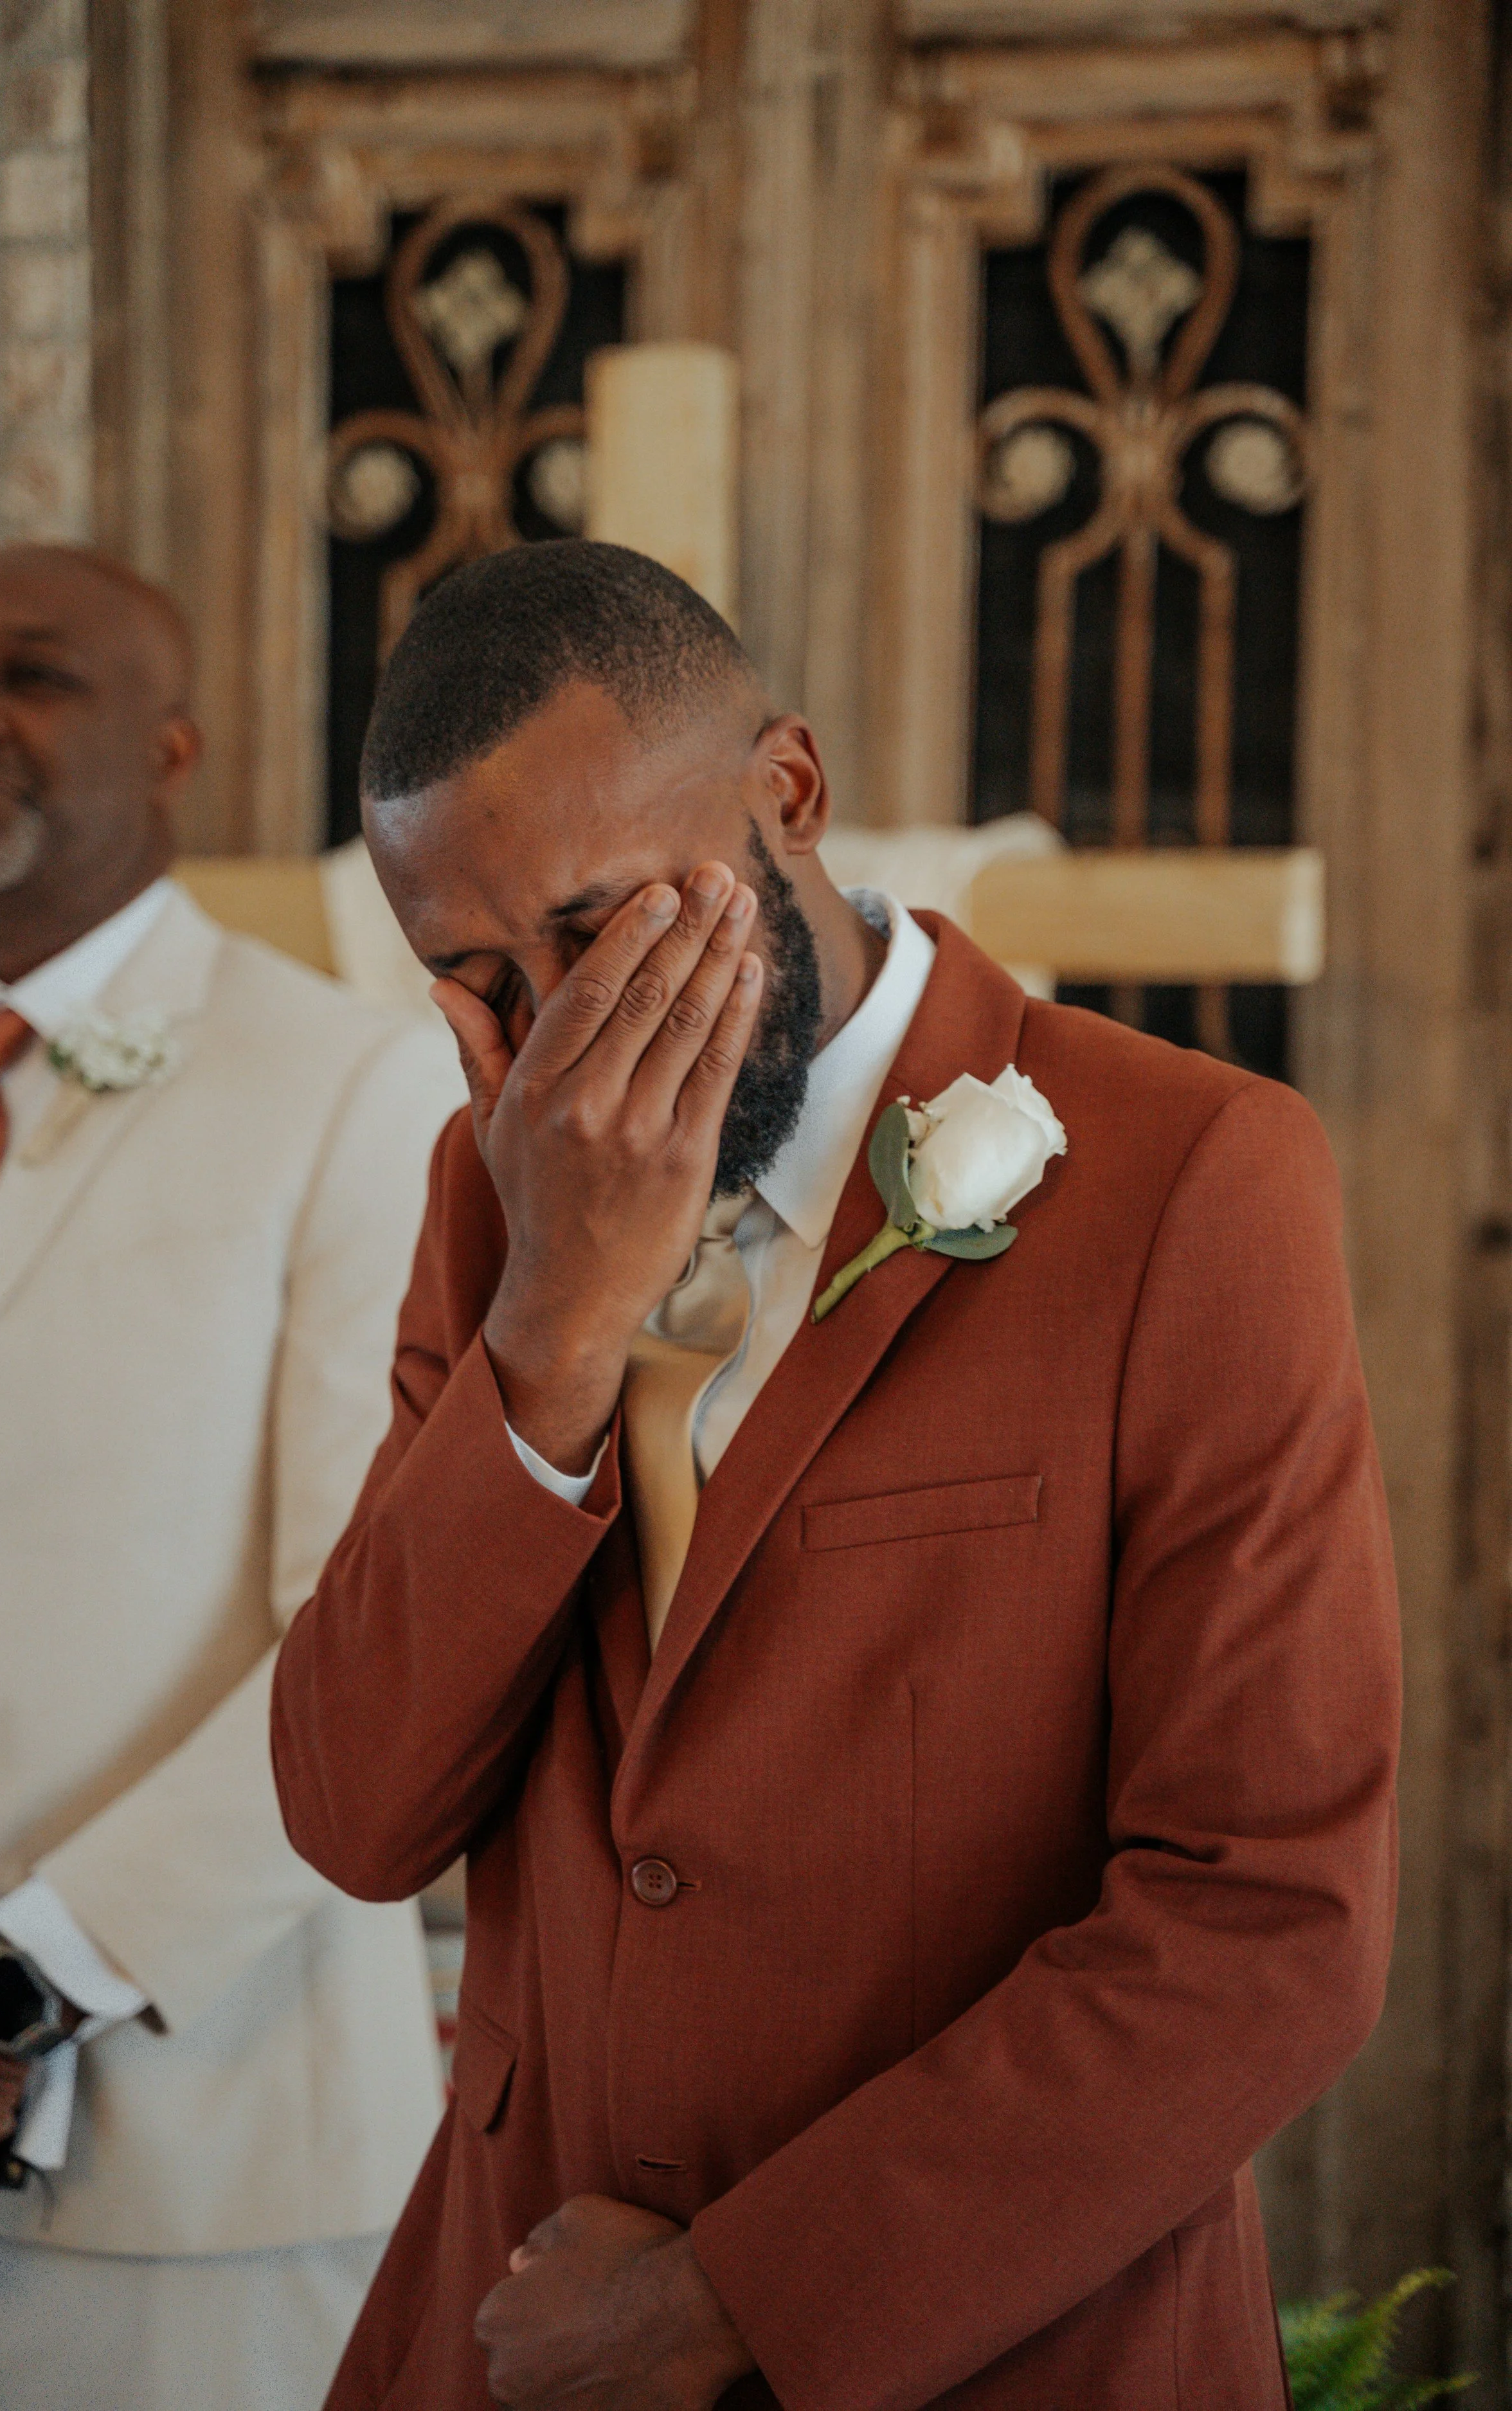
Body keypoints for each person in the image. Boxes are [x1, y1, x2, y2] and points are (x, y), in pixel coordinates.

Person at [271, 538, 1402, 2411]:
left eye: (601, 931)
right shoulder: (495, 1192)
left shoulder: (1188, 1172)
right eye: (476, 981)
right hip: (519, 2323)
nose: (560, 1043)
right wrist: (553, 1324)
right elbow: (356, 1811)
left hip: (999, 2344)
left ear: (787, 791)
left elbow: (1270, 1916)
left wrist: (724, 2304)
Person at [0, 545, 464, 2411]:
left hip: (185, 2153)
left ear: (173, 749)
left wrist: (9, 1991)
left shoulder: (350, 1092)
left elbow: (373, 1647)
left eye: (34, 674)